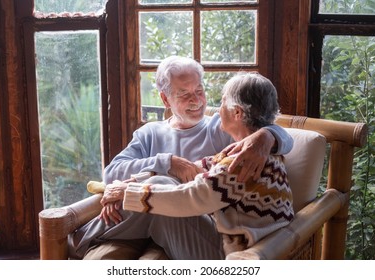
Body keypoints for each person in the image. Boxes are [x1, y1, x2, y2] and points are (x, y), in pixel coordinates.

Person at [70, 56, 294, 259]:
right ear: (165, 100)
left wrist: (266, 137)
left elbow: (273, 130)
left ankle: (77, 240)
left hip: (207, 231)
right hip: (174, 219)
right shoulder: (150, 133)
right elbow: (112, 172)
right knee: (160, 183)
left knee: (160, 186)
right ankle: (83, 239)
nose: (197, 101)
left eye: (199, 91)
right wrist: (167, 163)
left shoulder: (226, 133)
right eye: (184, 94)